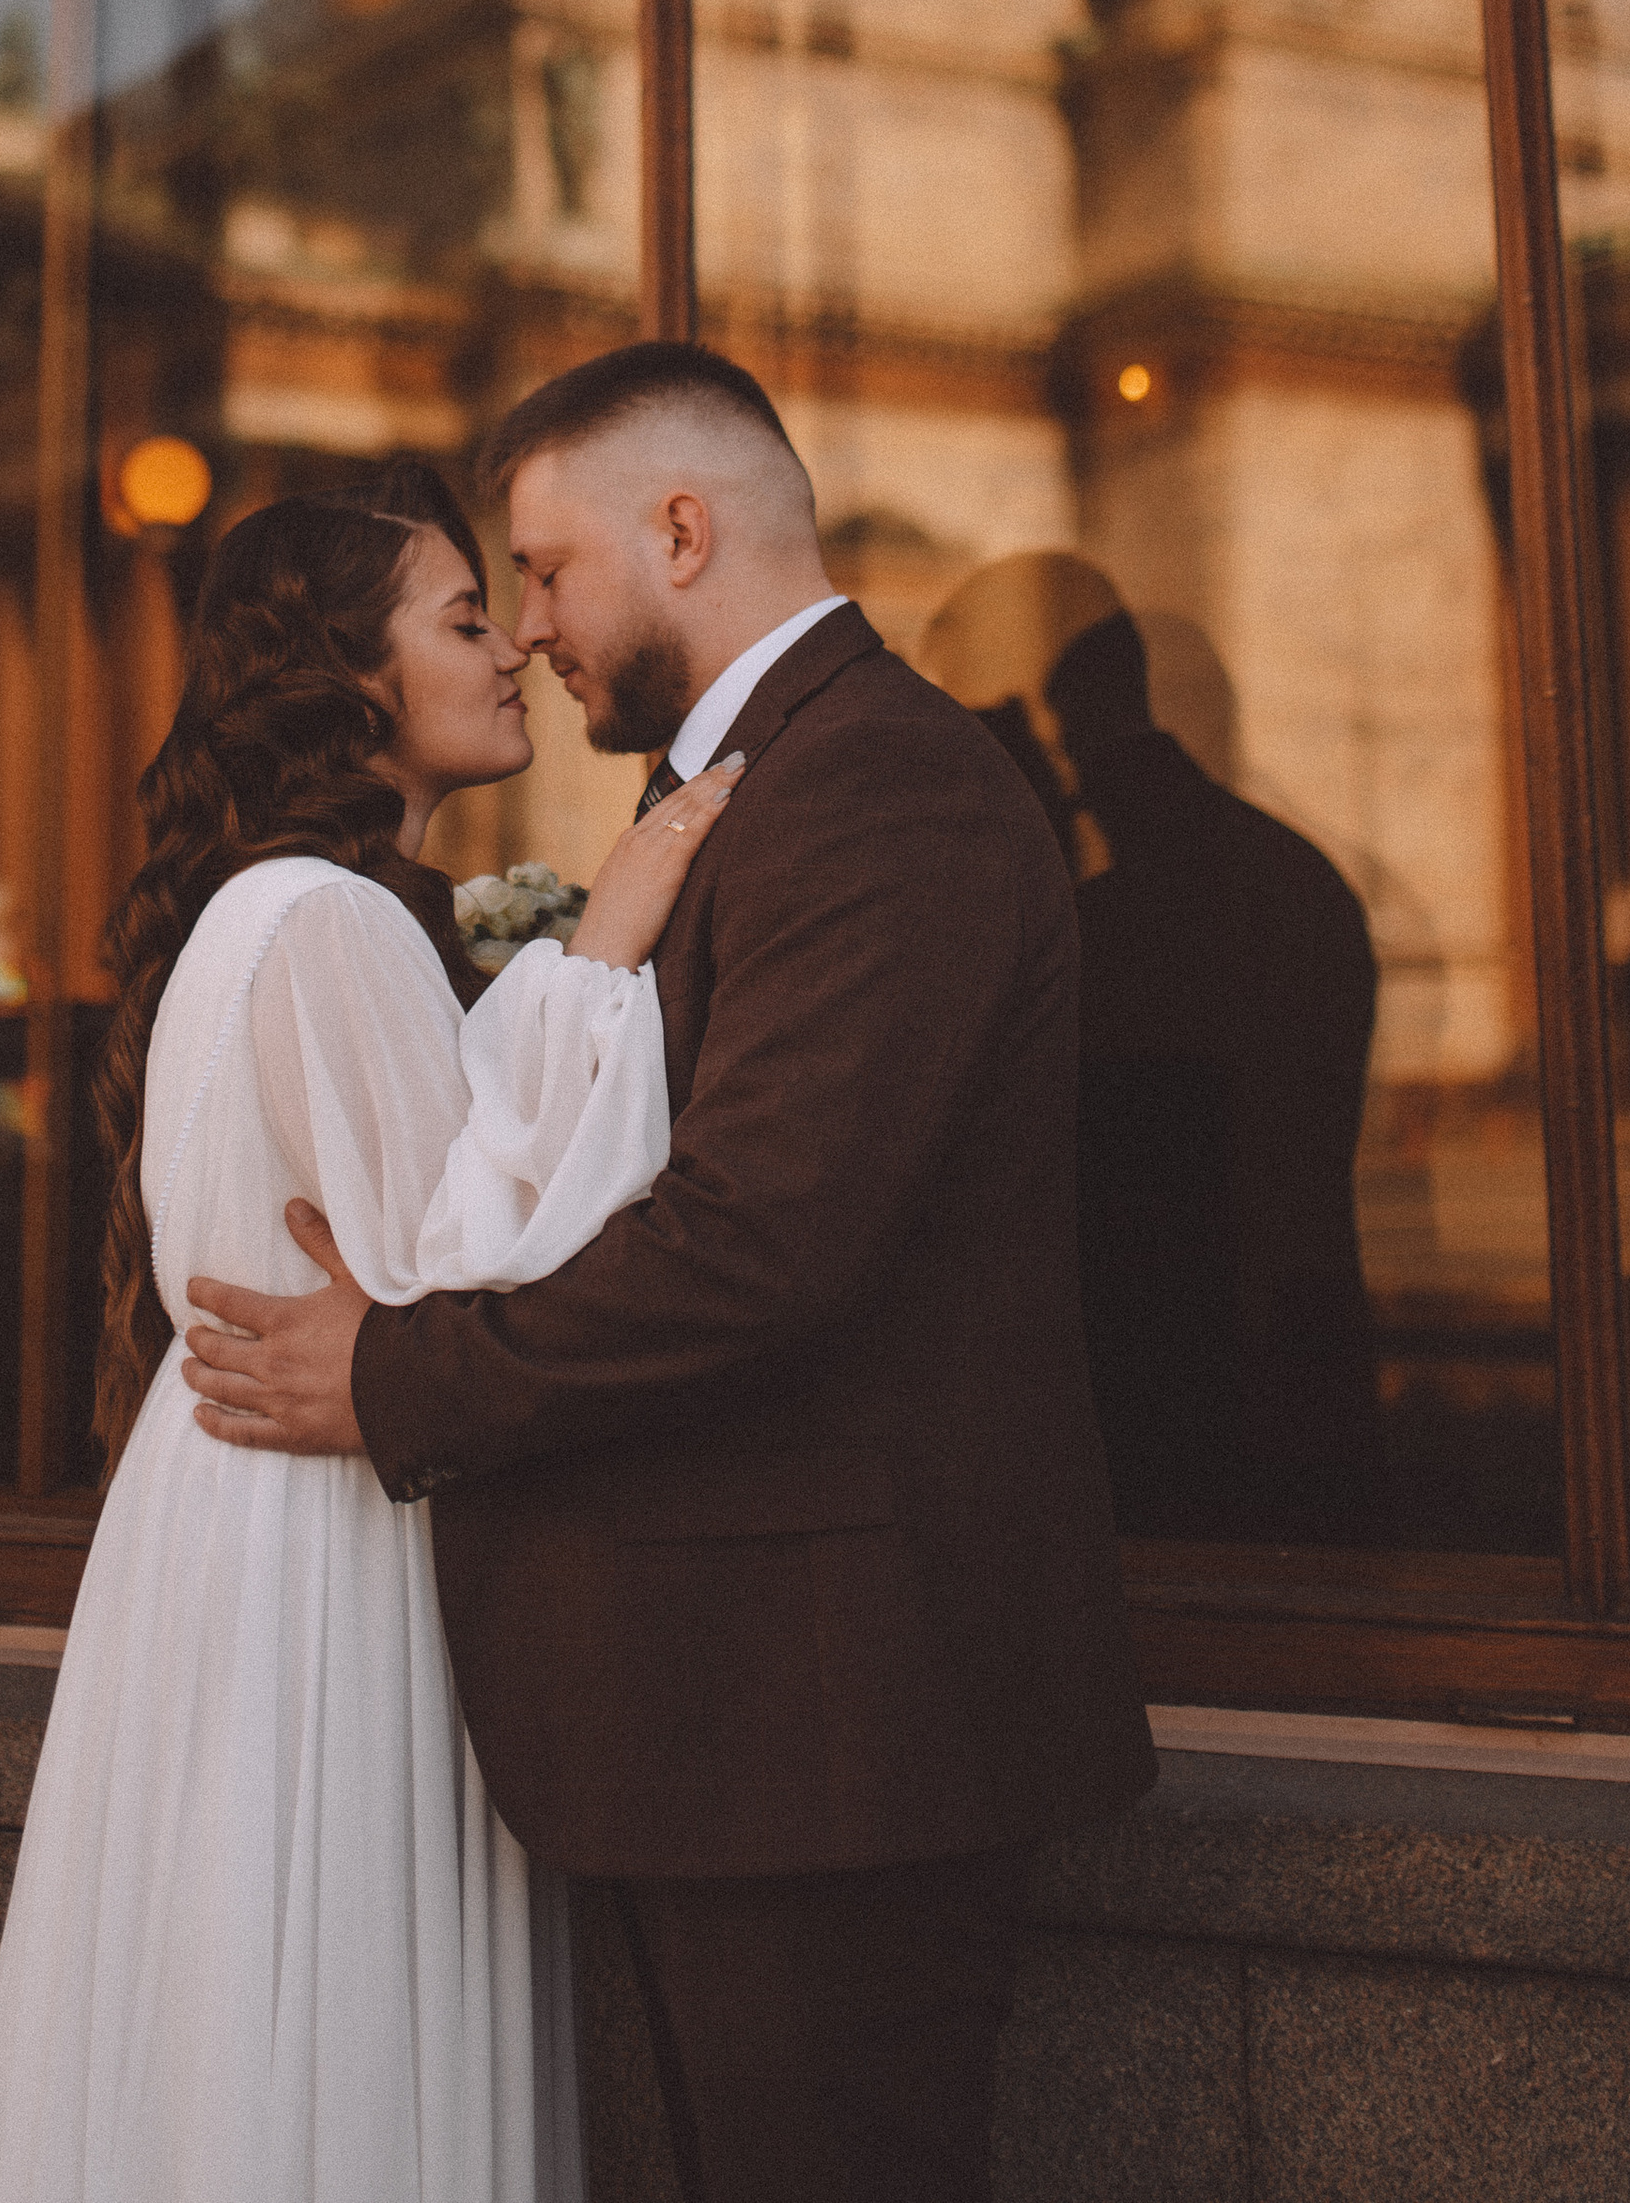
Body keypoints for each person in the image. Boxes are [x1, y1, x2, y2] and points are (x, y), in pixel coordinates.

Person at [183, 346, 1156, 2203]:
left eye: (544, 571)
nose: (532, 627)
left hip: (836, 1731)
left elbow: (756, 1247)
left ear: (684, 532)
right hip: (744, 1727)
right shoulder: (750, 789)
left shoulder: (877, 787)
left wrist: (390, 1375)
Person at [0, 466, 746, 2203]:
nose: (516, 649)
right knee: (319, 2020)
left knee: (245, 2020)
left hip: (258, 1508)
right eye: (468, 618)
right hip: (322, 1535)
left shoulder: (289, 905)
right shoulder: (320, 916)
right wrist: (611, 933)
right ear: (349, 674)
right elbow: (470, 1253)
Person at [1045, 601, 1392, 1547]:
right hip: (1283, 1323)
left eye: (1086, 748)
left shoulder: (1151, 913)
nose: (1086, 783)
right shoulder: (1289, 876)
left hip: (1209, 1353)